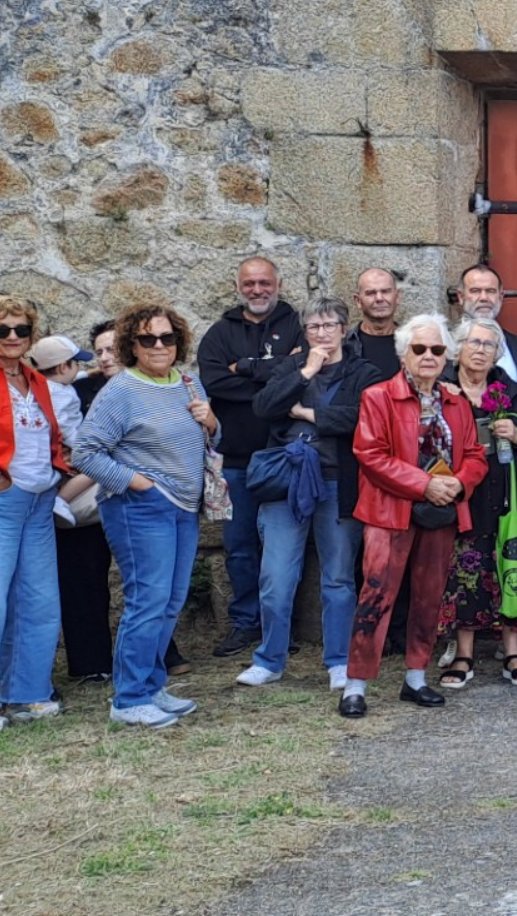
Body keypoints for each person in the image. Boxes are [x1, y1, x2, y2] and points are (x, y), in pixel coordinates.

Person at [72, 303, 220, 729]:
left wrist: (211, 422)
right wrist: (138, 483)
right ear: (130, 346)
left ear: (179, 342)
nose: (158, 346)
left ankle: (152, 685)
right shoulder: (121, 390)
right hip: (140, 507)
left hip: (184, 507)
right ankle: (130, 697)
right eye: (147, 339)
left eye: (167, 338)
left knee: (169, 601)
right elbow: (86, 452)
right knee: (147, 601)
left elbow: (209, 439)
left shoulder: (188, 383)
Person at [340, 314, 488, 719]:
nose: (428, 356)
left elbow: (475, 454)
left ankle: (416, 678)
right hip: (391, 511)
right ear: (404, 353)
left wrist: (459, 484)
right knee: (375, 596)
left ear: (447, 356)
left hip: (439, 512)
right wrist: (424, 483)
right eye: (419, 349)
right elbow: (370, 455)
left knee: (428, 598)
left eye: (437, 350)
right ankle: (356, 685)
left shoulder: (456, 403)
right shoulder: (378, 397)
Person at [235, 298, 384, 690]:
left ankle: (338, 660)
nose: (322, 333)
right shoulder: (291, 367)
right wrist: (305, 373)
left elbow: (364, 418)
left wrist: (306, 414)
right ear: (305, 331)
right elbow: (264, 406)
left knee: (337, 578)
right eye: (314, 326)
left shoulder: (363, 372)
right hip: (288, 481)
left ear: (344, 327)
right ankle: (270, 659)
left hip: (338, 483)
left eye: (329, 325)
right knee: (276, 576)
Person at [197, 256, 303, 660]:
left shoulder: (297, 325)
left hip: (283, 457)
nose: (257, 290)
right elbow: (215, 381)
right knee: (239, 545)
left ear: (279, 283)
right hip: (236, 460)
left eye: (264, 282)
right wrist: (274, 383)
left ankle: (282, 626)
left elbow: (302, 373)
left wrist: (245, 368)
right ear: (238, 286)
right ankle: (246, 622)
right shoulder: (220, 333)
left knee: (286, 547)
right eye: (249, 284)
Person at [437, 316, 517, 690]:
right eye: (474, 343)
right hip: (463, 495)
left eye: (489, 345)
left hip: (507, 493)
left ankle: (513, 650)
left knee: (511, 567)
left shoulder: (511, 390)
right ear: (459, 348)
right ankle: (464, 653)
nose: (481, 350)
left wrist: (516, 433)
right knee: (466, 570)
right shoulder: (443, 389)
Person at [0, 295, 71, 732]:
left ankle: (27, 692)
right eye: (2, 329)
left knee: (39, 601)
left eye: (21, 330)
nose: (13, 337)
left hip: (37, 502)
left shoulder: (37, 381)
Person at [57, 319, 123, 682]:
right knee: (82, 578)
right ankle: (90, 662)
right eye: (99, 351)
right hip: (85, 503)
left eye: (112, 349)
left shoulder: (152, 386)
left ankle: (164, 653)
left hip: (131, 495)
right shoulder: (79, 389)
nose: (105, 356)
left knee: (146, 583)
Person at [457, 263, 517, 450]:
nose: (483, 298)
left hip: (513, 466)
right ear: (460, 296)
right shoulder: (445, 347)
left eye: (490, 291)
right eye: (475, 290)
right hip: (463, 463)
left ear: (501, 296)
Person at [30, 334, 93, 440]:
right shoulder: (56, 395)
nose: (79, 366)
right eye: (76, 363)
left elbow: (70, 378)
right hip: (72, 438)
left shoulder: (50, 384)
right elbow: (62, 426)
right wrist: (82, 447)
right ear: (63, 367)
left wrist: (88, 373)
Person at [347, 268, 403, 380]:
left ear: (397, 297)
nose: (379, 298)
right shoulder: (344, 344)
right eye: (371, 293)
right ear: (358, 301)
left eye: (385, 291)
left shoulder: (417, 343)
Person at [72, 320, 120, 410]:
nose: (103, 358)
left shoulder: (150, 385)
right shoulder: (80, 390)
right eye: (99, 353)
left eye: (111, 350)